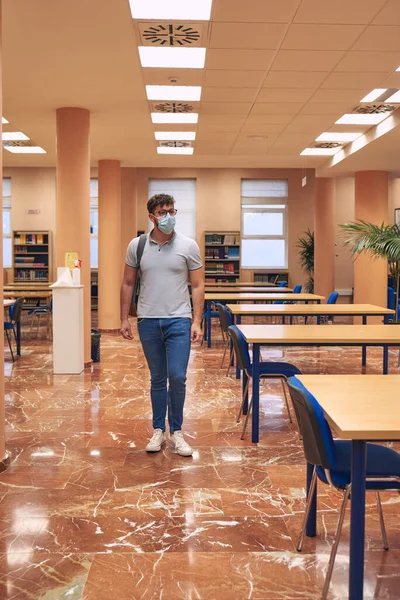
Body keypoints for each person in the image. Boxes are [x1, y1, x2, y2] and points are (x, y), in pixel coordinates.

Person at [120, 193, 204, 457]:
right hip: (148, 320)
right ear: (151, 216)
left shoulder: (188, 246)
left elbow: (199, 285)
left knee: (177, 377)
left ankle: (176, 431)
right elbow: (128, 283)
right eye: (162, 212)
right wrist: (124, 318)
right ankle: (158, 429)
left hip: (178, 320)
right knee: (157, 378)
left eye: (171, 211)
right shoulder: (138, 245)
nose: (167, 216)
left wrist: (197, 321)